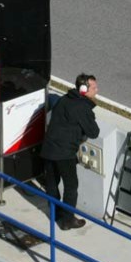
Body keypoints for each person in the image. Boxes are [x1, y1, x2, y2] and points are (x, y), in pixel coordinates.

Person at [41, 74, 101, 230]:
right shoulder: (82, 107)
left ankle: (55, 214)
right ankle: (68, 220)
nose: (97, 90)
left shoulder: (65, 99)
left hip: (48, 148)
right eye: (94, 88)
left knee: (52, 184)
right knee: (71, 186)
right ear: (83, 90)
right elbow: (94, 132)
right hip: (64, 153)